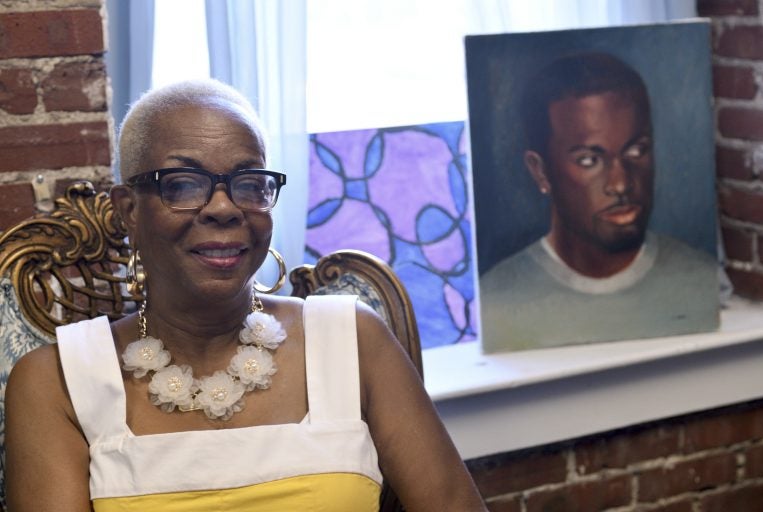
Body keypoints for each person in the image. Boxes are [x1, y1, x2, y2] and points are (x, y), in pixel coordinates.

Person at [4, 79, 487, 511]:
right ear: (129, 210)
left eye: (249, 184)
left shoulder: (353, 340)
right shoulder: (57, 381)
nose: (223, 208)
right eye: (184, 184)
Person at [480, 52, 720, 353]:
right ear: (540, 171)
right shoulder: (497, 299)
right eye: (589, 160)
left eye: (636, 151)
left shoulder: (699, 279)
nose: (620, 184)